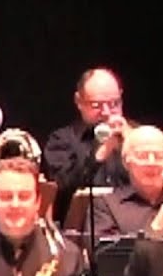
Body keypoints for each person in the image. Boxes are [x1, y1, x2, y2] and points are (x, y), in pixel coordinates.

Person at [43, 67, 132, 223]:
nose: (107, 112)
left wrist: (134, 144)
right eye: (97, 105)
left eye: (114, 104)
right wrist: (100, 154)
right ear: (79, 101)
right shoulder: (61, 140)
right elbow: (63, 189)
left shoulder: (137, 135)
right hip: (80, 229)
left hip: (132, 226)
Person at [92, 125, 163, 237]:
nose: (151, 163)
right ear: (126, 163)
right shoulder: (106, 205)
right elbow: (106, 248)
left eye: (159, 156)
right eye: (142, 156)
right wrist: (154, 231)